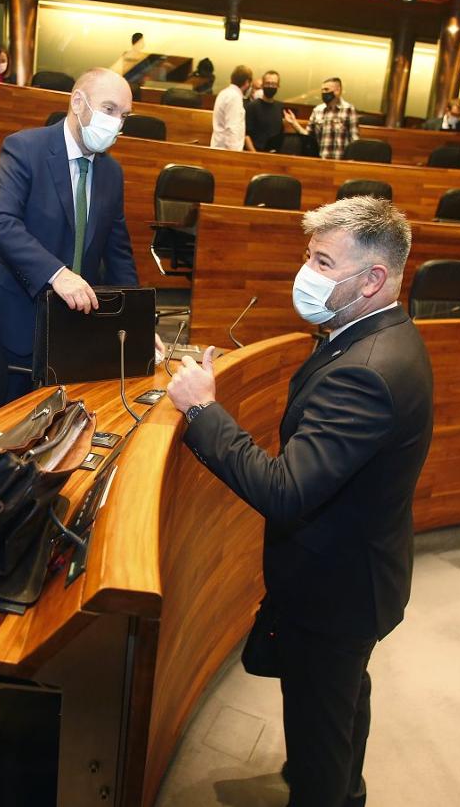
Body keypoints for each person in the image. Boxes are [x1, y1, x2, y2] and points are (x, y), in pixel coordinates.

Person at [165, 196, 433, 807]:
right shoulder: (377, 333)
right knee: (342, 703)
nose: (306, 273)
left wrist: (203, 410)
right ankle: (349, 789)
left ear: (372, 279)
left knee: (318, 731)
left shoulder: (367, 370)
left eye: (322, 261)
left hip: (336, 592)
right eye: (308, 256)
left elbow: (285, 491)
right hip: (358, 575)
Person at [0, 68, 141, 399]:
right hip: (22, 320)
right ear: (78, 102)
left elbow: (118, 254)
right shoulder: (25, 148)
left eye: (124, 116)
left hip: (78, 326)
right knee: (9, 430)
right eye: (109, 109)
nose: (116, 123)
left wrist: (137, 322)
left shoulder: (111, 172)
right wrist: (56, 274)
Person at [245, 70, 304, 152]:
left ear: (278, 86)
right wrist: (254, 154)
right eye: (268, 83)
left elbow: (281, 133)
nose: (270, 86)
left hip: (275, 154)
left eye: (273, 84)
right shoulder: (252, 106)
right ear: (262, 85)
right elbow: (246, 135)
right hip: (256, 154)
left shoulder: (280, 107)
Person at [307, 77, 360, 160]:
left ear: (337, 91)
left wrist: (351, 160)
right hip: (319, 160)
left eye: (326, 89)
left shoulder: (349, 109)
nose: (323, 92)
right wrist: (294, 123)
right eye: (322, 90)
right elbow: (308, 135)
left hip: (340, 162)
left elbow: (354, 139)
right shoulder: (317, 110)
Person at [212, 65, 255, 152]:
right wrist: (235, 154)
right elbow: (232, 128)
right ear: (247, 82)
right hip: (227, 151)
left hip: (218, 146)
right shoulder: (234, 97)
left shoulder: (224, 93)